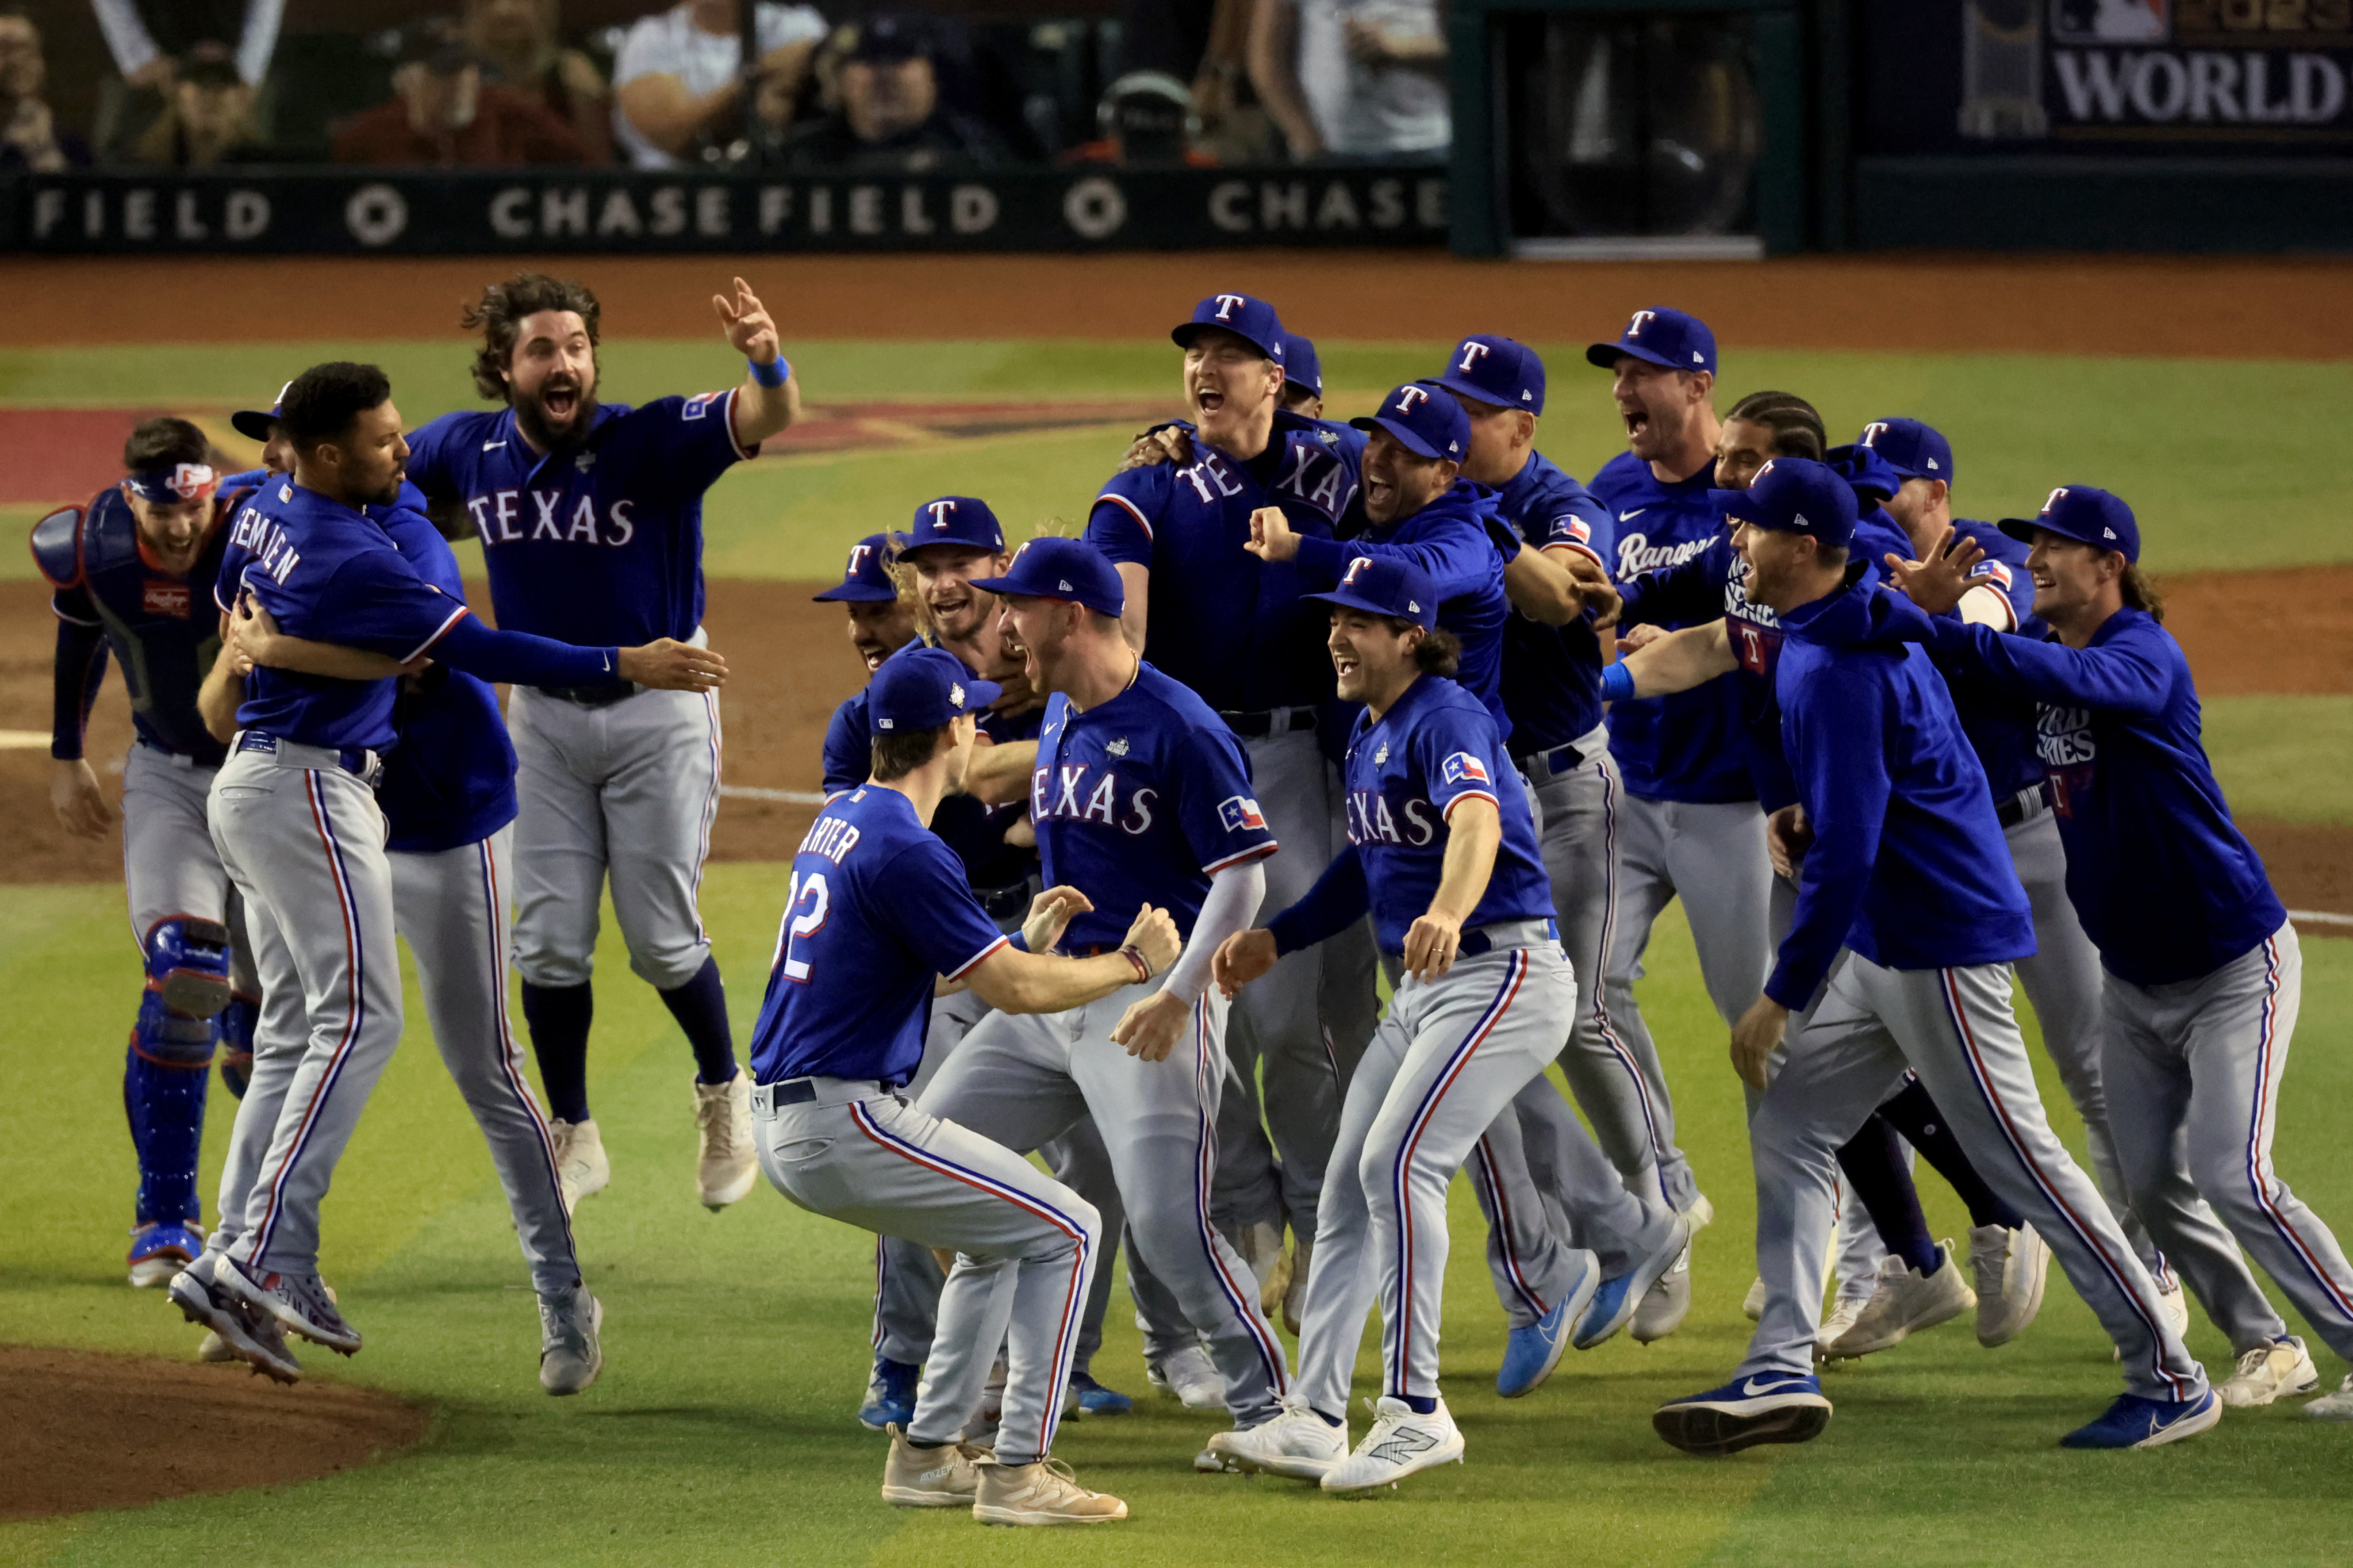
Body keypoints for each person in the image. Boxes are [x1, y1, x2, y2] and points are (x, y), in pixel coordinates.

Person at [1644, 457, 2215, 1456]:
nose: (1736, 541)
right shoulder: (1826, 630)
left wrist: (1780, 994)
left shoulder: (1838, 667)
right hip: (1887, 940)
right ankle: (1779, 1358)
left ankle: (2168, 1373)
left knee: (2024, 1164)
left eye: (1753, 528)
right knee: (1788, 1120)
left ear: (1805, 547)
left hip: (1938, 942)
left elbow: (1850, 843)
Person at [162, 361, 721, 1371]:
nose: (270, 452)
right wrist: (277, 653)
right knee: (321, 1027)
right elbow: (247, 666)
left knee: (485, 1069)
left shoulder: (400, 539)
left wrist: (287, 652)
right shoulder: (283, 512)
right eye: (271, 437)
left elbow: (465, 652)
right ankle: (249, 1258)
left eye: (285, 436)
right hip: (324, 808)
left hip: (445, 817)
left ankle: (562, 1302)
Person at [1873, 485, 2353, 1418]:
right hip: (2132, 984)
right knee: (2148, 1186)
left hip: (2229, 967)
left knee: (2231, 1173)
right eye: (2033, 546)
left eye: (2057, 547)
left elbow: (2083, 686)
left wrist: (1948, 630)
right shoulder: (2046, 659)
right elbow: (1955, 695)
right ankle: (2267, 1342)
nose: (2036, 561)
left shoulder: (2142, 654)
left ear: (2110, 567)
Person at [1205, 556, 1648, 1490]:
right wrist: (1275, 938)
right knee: (1347, 1184)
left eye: (1358, 622)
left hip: (1504, 970)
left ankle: (1415, 1409)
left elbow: (1476, 821)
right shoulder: (1373, 729)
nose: (1336, 635)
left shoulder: (1444, 713)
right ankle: (1315, 1415)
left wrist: (1447, 907)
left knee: (1401, 1164)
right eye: (1334, 620)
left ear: (1409, 635)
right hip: (1434, 985)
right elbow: (1366, 868)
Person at [749, 647, 1178, 1526]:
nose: (981, 724)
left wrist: (1014, 935)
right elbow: (1015, 991)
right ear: (950, 733)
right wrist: (1134, 963)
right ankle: (1018, 1469)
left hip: (796, 1113)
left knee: (996, 1236)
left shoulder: (845, 820)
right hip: (840, 1116)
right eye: (972, 715)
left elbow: (920, 962)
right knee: (1071, 1226)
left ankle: (925, 1453)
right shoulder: (910, 846)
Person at [402, 272, 799, 1214]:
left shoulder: (646, 440)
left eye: (577, 345)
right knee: (545, 943)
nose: (565, 362)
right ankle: (573, 1131)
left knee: (662, 940)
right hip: (540, 719)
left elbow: (771, 412)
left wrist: (764, 358)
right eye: (542, 348)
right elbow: (383, 482)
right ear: (504, 367)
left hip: (658, 715)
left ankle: (722, 1091)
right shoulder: (466, 447)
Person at [911, 536, 1296, 1465]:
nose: (1003, 620)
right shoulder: (1056, 711)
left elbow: (1243, 877)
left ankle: (1276, 1409)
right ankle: (996, 1374)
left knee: (1169, 1227)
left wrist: (1177, 992)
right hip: (1056, 997)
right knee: (930, 1156)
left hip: (1149, 1010)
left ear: (1071, 615)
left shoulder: (1182, 726)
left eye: (1020, 605)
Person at [1085, 292, 1378, 1341]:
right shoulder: (1148, 486)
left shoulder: (1336, 467)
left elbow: (1420, 479)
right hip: (1188, 765)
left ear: (1275, 379)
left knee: (1289, 1019)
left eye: (1229, 355)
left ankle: (1321, 1226)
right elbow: (1122, 622)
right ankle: (1250, 1213)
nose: (1204, 369)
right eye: (1193, 354)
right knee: (1194, 1011)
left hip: (1303, 761)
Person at [1428, 334, 1712, 1359]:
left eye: (1468, 410)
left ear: (1519, 425)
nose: (1451, 429)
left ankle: (1664, 1200)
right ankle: (1593, 1234)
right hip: (1480, 800)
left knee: (1582, 1007)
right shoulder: (1439, 493)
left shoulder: (1557, 501)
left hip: (1566, 788)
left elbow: (1565, 593)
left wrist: (1480, 524)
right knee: (1497, 1023)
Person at [824, 502, 1137, 1431]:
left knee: (1089, 1173)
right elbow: (911, 812)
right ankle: (901, 1357)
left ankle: (1061, 1361)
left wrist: (1026, 778)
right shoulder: (880, 706)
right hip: (939, 959)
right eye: (927, 564)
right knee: (912, 1149)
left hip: (1037, 928)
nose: (945, 579)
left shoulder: (1049, 674)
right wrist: (1028, 769)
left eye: (965, 560)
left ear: (1001, 570)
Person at [31, 418, 260, 1289]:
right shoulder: (94, 550)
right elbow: (80, 632)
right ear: (133, 497)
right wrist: (65, 750)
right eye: (161, 508)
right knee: (183, 971)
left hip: (269, 775)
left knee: (277, 1026)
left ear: (212, 491)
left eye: (192, 504)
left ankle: (249, 1024)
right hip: (168, 776)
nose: (177, 526)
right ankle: (165, 1217)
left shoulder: (258, 533)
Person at [1581, 308, 1772, 1242]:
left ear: (1697, 385)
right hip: (1627, 785)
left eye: (1642, 374)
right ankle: (1663, 1191)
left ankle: (1828, 1226)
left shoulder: (1754, 495)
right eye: (1616, 374)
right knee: (1586, 992)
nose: (1622, 389)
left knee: (1759, 1021)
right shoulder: (1610, 485)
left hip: (1731, 800)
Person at [612, 0, 827, 169]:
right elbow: (676, 137)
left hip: (774, 186)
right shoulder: (652, 36)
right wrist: (755, 79)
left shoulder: (797, 26)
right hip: (667, 192)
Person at [333, 23, 586, 167]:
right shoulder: (375, 133)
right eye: (443, 72)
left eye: (464, 69)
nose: (457, 83)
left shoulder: (513, 116)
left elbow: (588, 169)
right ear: (407, 80)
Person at [780, 15, 1005, 173]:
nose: (884, 75)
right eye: (870, 60)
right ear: (843, 80)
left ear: (932, 78)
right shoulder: (804, 155)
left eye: (900, 59)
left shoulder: (970, 151)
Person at [1248, 0, 1448, 160]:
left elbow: (1469, 47)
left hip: (1427, 142)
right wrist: (1307, 139)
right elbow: (1267, 58)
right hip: (1330, 151)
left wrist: (1399, 51)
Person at [465, 0, 613, 164]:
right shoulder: (455, 80)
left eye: (518, 1)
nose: (503, 11)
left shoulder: (571, 73)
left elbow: (597, 163)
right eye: (487, 2)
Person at [128, 45, 264, 167]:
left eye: (222, 83)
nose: (211, 94)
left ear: (242, 98)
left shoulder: (268, 169)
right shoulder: (137, 170)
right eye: (200, 81)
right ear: (176, 94)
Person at [0, 7, 91, 170]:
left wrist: (41, 149)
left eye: (28, 51)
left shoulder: (68, 142)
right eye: (6, 49)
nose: (18, 61)